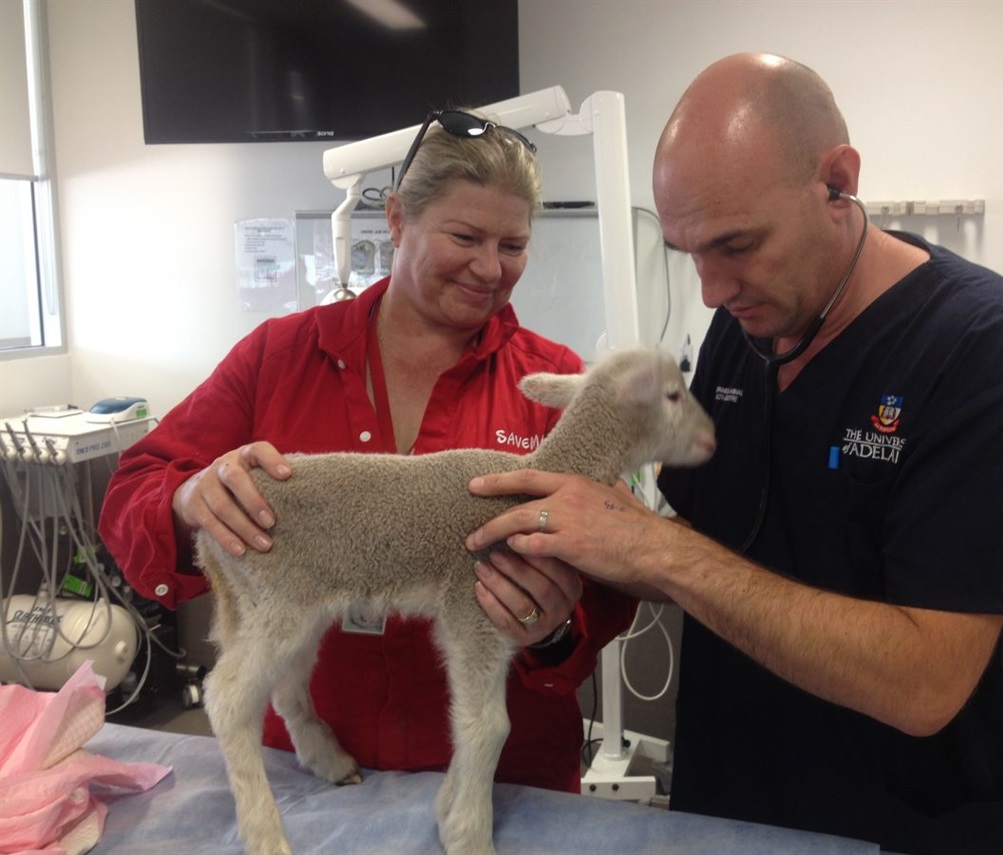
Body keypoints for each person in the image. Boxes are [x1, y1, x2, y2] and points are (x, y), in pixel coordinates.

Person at [465, 54, 1003, 854]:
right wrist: (561, 552)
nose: (711, 290)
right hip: (731, 813)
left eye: (735, 245)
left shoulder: (985, 354)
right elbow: (708, 554)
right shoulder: (749, 326)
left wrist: (651, 546)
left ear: (838, 181)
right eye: (691, 252)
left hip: (911, 827)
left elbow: (926, 682)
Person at [98, 108, 637, 793]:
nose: (489, 267)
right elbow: (133, 489)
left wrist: (558, 627)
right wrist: (186, 500)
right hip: (305, 776)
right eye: (465, 236)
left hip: (502, 780)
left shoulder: (552, 389)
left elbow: (613, 580)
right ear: (396, 219)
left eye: (513, 245)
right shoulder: (279, 358)